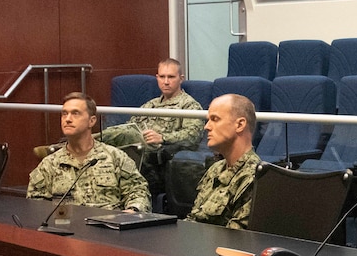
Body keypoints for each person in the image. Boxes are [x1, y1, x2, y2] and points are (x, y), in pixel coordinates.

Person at [38, 59, 202, 192]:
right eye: (162, 77)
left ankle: (65, 147)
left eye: (171, 77)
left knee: (122, 135)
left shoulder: (190, 106)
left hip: (159, 149)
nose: (166, 82)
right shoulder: (149, 105)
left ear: (181, 78)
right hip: (135, 145)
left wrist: (163, 137)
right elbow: (130, 125)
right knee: (113, 142)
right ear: (157, 78)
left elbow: (192, 136)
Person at [27, 93, 151, 213]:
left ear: (91, 121)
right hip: (66, 227)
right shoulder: (50, 164)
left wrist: (133, 210)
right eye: (64, 114)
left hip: (108, 226)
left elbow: (138, 190)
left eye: (75, 113)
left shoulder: (114, 157)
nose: (68, 119)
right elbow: (35, 204)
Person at [188, 94, 261, 229]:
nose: (207, 127)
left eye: (215, 119)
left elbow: (237, 238)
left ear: (240, 125)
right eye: (208, 120)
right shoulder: (216, 169)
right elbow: (194, 218)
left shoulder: (255, 178)